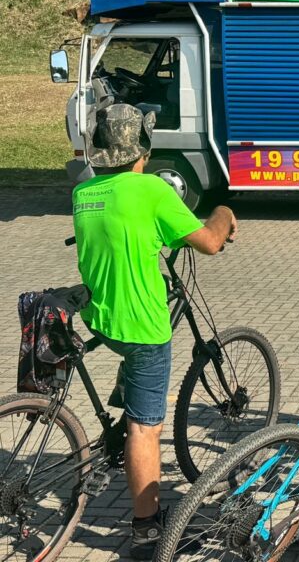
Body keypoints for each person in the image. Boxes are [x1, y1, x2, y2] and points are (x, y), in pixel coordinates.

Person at [72, 103, 236, 559]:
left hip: (101, 319)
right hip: (142, 327)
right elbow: (209, 242)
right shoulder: (151, 190)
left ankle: (124, 407)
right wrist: (224, 210)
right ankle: (147, 530)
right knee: (145, 429)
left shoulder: (84, 192)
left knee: (132, 371)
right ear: (142, 149)